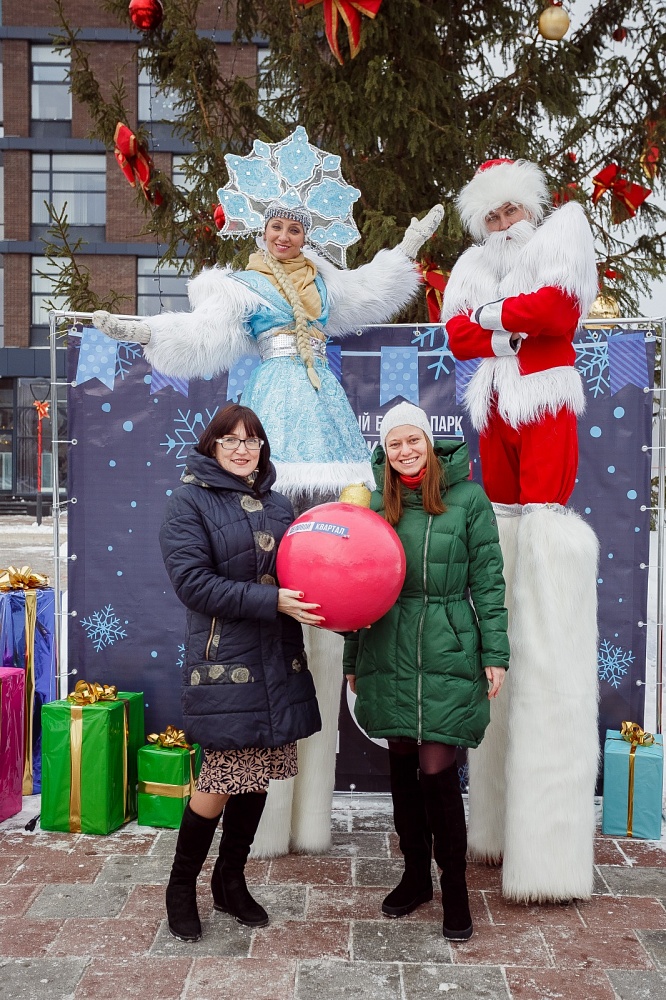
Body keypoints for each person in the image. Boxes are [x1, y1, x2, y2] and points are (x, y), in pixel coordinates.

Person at [92, 163, 443, 858]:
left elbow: (370, 291)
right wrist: (142, 330)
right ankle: (248, 836)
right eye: (276, 226)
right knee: (272, 531)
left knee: (339, 528)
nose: (285, 237)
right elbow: (202, 334)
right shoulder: (240, 286)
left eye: (295, 228)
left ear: (307, 234)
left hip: (328, 415)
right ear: (261, 229)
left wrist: (405, 250)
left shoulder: (323, 283)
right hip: (279, 404)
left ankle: (321, 718)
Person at [442, 158, 599, 903]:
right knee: (502, 527)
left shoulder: (562, 233)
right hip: (497, 408)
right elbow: (456, 337)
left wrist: (496, 320)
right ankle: (491, 824)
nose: (504, 225)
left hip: (545, 398)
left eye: (511, 212)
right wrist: (511, 324)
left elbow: (558, 314)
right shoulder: (472, 265)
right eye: (492, 217)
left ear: (528, 208)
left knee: (542, 522)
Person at [343, 401, 509, 941]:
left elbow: (488, 581)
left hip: (448, 645)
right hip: (386, 646)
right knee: (402, 770)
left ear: (429, 443)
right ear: (385, 451)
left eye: (413, 439)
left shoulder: (469, 499)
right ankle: (415, 876)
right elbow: (356, 586)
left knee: (437, 772)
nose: (405, 451)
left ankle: (454, 890)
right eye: (394, 443)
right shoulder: (374, 504)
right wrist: (352, 658)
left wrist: (495, 653)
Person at [159, 402, 323, 942]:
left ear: (262, 448)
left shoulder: (279, 504)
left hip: (276, 660)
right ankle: (180, 888)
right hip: (226, 662)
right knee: (220, 780)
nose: (241, 448)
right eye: (229, 439)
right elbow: (194, 584)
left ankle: (230, 881)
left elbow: (303, 571)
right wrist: (271, 600)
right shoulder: (189, 501)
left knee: (257, 776)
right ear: (211, 445)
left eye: (251, 440)